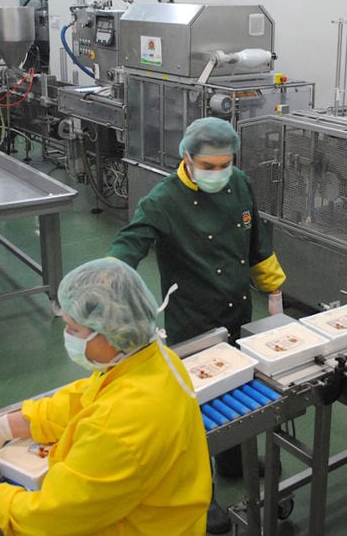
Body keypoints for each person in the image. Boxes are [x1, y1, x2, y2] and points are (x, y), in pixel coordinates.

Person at [0, 258, 212, 535]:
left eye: (74, 329)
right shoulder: (155, 360)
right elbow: (85, 398)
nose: (67, 335)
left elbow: (51, 517)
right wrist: (10, 424)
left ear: (112, 333)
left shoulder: (119, 424)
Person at [106, 116, 286, 533]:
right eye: (208, 166)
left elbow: (256, 241)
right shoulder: (162, 202)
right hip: (193, 322)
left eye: (224, 164)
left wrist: (274, 295)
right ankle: (198, 494)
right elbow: (129, 245)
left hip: (237, 313)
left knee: (240, 391)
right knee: (194, 413)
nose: (218, 174)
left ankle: (232, 461)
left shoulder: (239, 183)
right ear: (186, 158)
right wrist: (107, 280)